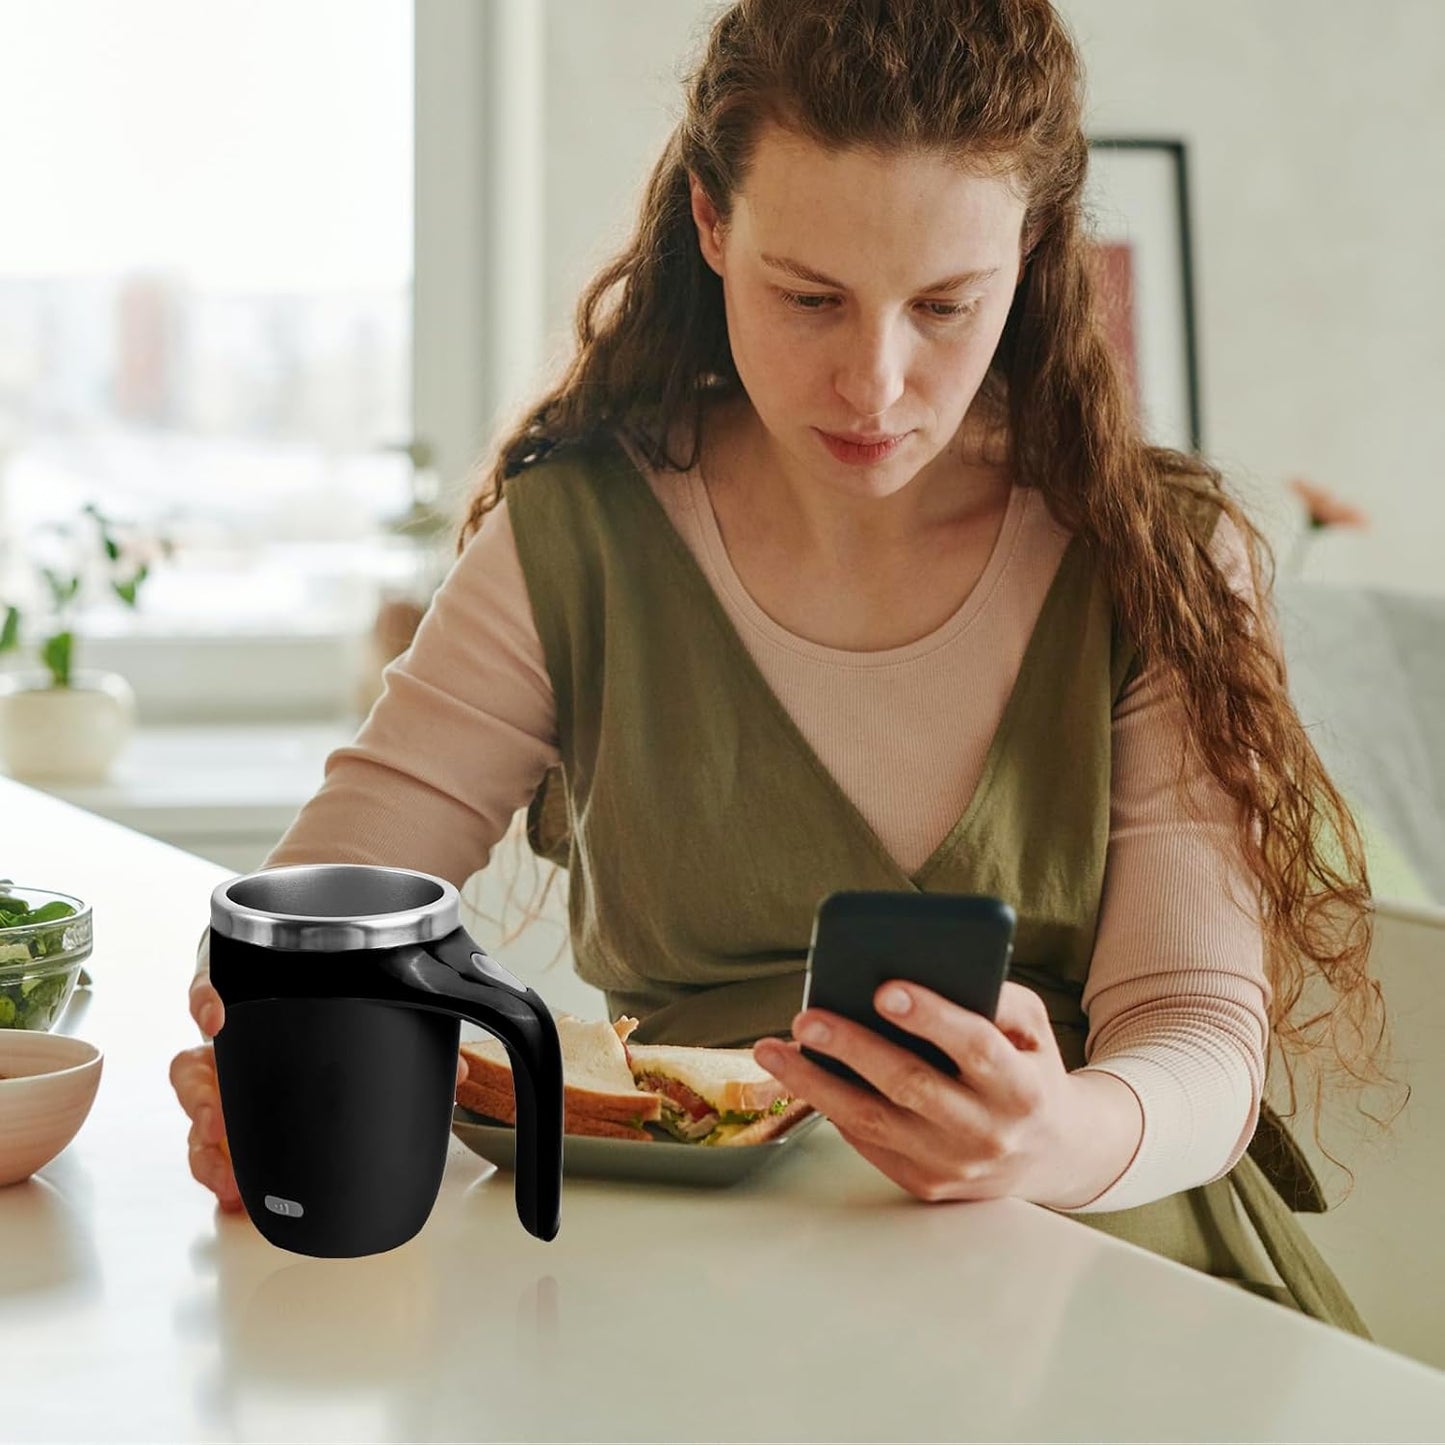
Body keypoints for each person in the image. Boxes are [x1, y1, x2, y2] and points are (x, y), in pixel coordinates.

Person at [170, 0, 1400, 1333]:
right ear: (711, 224)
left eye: (943, 306)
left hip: (1114, 1273)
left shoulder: (1157, 556)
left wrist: (1054, 1131)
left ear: (1035, 249)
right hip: (703, 1298)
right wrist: (267, 1055)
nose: (872, 386)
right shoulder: (574, 539)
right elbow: (322, 905)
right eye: (808, 297)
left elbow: (1200, 1036)